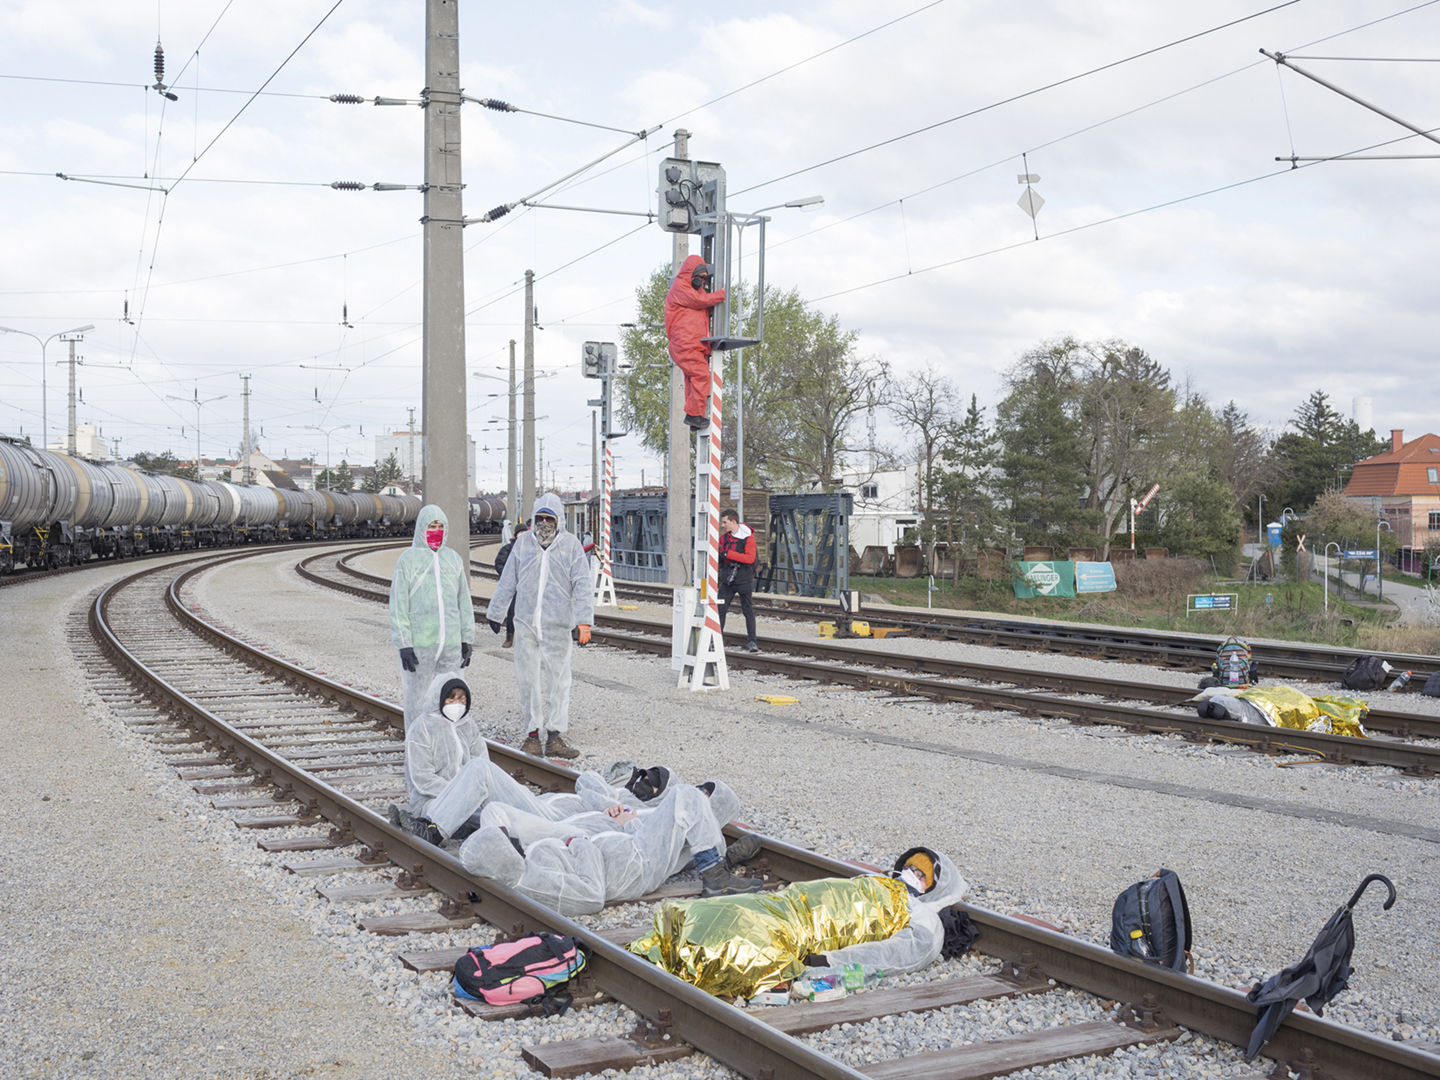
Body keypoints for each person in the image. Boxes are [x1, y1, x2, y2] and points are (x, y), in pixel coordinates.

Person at [628, 846, 970, 999]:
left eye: (921, 874)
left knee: (752, 938)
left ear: (934, 890)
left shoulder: (924, 917)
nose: (911, 874)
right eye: (910, 865)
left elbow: (898, 954)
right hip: (789, 905)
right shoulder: (871, 880)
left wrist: (831, 963)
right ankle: (686, 938)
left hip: (805, 932)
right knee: (744, 911)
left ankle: (696, 951)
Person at [460, 780, 763, 915]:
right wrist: (591, 835)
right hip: (623, 854)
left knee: (684, 795)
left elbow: (590, 892)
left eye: (707, 796)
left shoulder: (696, 837)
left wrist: (585, 841)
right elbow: (590, 895)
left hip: (630, 858)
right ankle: (716, 873)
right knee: (496, 811)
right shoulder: (534, 873)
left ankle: (716, 873)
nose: (700, 797)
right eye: (703, 793)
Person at [391, 671, 587, 846]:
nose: (457, 705)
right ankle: (433, 830)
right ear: (439, 699)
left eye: (462, 700)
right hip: (432, 801)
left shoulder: (468, 726)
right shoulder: (422, 728)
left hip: (472, 800)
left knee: (496, 812)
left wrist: (471, 793)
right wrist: (462, 792)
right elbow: (422, 779)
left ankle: (545, 829)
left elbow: (483, 766)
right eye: (451, 699)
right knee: (466, 801)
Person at [486, 493, 593, 759]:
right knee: (527, 680)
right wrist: (496, 612)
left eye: (549, 518)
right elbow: (508, 579)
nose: (544, 523)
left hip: (558, 624)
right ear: (533, 519)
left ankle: (555, 736)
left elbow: (582, 584)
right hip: (525, 623)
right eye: (540, 518)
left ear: (559, 520)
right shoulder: (523, 544)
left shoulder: (571, 546)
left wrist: (584, 621)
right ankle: (532, 734)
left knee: (560, 680)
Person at [389, 504, 476, 730]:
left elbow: (463, 602)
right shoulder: (407, 561)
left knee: (452, 699)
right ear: (421, 529)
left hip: (450, 646)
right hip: (420, 646)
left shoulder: (453, 559)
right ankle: (418, 750)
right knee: (418, 701)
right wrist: (404, 643)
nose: (436, 531)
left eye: (440, 526)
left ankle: (449, 750)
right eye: (431, 526)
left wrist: (467, 638)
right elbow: (398, 605)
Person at [664, 255, 726, 428]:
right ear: (690, 274)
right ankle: (693, 415)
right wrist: (721, 294)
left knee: (693, 379)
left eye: (704, 277)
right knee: (701, 376)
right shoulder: (680, 287)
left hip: (692, 344)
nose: (701, 280)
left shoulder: (692, 289)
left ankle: (695, 414)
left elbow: (702, 302)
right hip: (686, 344)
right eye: (698, 277)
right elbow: (700, 301)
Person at [718, 508, 759, 653]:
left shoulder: (749, 538)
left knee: (748, 611)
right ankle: (717, 641)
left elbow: (750, 558)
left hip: (744, 580)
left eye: (725, 522)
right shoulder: (724, 539)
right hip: (728, 580)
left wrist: (728, 553)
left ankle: (752, 642)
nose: (723, 525)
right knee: (719, 610)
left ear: (733, 521)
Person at [491, 522, 528, 649]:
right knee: (512, 612)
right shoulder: (508, 548)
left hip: (527, 587)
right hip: (514, 588)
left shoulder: (531, 549)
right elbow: (499, 563)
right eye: (520, 533)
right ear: (516, 534)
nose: (522, 535)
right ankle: (509, 637)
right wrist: (508, 577)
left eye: (524, 532)